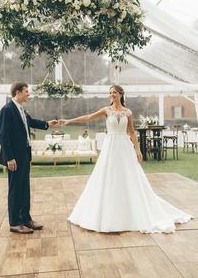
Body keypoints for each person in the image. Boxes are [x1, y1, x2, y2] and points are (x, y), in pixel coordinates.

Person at [59, 85, 192, 233]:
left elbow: (132, 132)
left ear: (121, 94)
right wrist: (68, 121)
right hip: (110, 148)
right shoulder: (106, 110)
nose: (112, 95)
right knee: (107, 177)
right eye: (110, 93)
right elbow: (88, 118)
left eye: (114, 92)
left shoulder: (128, 112)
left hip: (124, 147)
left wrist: (138, 149)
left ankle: (131, 211)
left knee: (129, 176)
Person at [0, 82, 58, 234]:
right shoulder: (7, 110)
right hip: (14, 158)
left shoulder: (21, 109)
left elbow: (30, 122)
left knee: (24, 189)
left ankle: (25, 219)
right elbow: (3, 136)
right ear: (17, 92)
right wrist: (9, 158)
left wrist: (47, 124)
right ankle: (15, 223)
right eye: (26, 91)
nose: (28, 94)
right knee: (15, 190)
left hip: (25, 155)